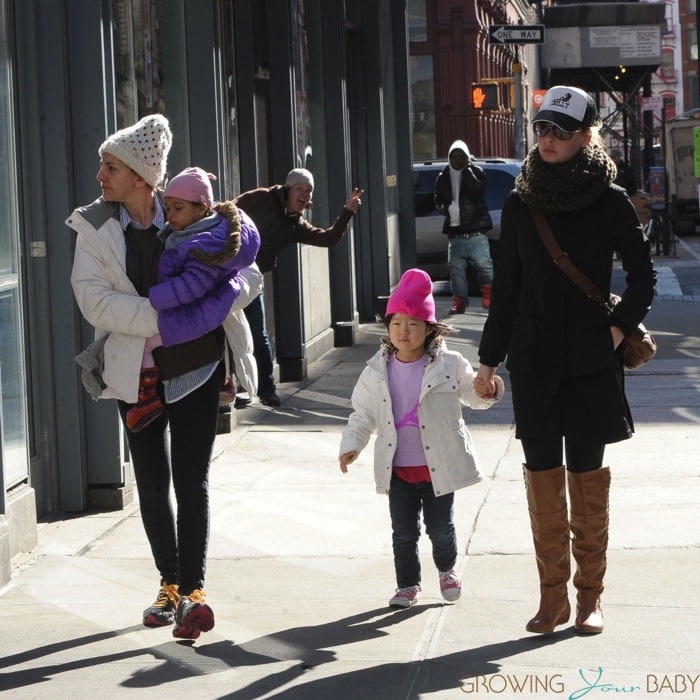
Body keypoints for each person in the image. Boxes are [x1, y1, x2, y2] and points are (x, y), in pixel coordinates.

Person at [68, 115, 261, 641]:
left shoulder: (188, 213)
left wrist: (210, 305)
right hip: (136, 372)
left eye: (111, 166)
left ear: (140, 175)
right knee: (152, 484)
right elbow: (93, 302)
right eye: (103, 166)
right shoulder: (94, 227)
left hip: (196, 365)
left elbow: (248, 273)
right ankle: (170, 585)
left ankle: (195, 591)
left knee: (191, 480)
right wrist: (164, 318)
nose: (101, 175)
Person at [476, 86, 656, 635]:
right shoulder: (520, 200)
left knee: (586, 476)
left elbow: (643, 279)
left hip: (589, 362)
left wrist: (617, 328)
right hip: (533, 363)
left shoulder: (609, 202)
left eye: (561, 131)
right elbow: (506, 290)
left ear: (586, 136)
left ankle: (590, 598)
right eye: (542, 129)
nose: (548, 139)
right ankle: (550, 599)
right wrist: (488, 362)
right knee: (541, 478)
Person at [338, 268, 504, 609]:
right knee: (403, 534)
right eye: (397, 323)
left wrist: (487, 390)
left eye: (413, 324)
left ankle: (446, 569)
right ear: (388, 327)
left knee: (440, 529)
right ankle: (407, 585)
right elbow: (362, 414)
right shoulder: (375, 371)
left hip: (438, 466)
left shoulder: (450, 364)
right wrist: (352, 445)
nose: (404, 331)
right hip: (398, 469)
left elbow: (474, 396)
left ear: (429, 328)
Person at [126, 166, 260, 432]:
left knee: (147, 343)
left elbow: (190, 287)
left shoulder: (204, 243)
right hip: (204, 309)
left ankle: (147, 397)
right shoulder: (205, 231)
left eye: (177, 208)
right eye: (168, 208)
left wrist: (153, 297)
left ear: (202, 207)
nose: (170, 215)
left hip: (197, 313)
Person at [235, 169, 363, 406]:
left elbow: (328, 238)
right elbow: (231, 210)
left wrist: (347, 212)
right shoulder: (263, 197)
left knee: (258, 336)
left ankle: (266, 389)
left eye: (308, 191)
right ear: (288, 189)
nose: (304, 195)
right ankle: (229, 391)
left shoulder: (296, 225)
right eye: (299, 189)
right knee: (227, 334)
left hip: (252, 280)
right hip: (227, 274)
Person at [434, 140, 494, 314]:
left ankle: (489, 297)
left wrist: (466, 170)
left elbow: (477, 190)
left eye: (461, 156)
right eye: (454, 156)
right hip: (455, 233)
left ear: (467, 158)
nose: (457, 160)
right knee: (456, 271)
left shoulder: (476, 172)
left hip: (477, 232)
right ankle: (459, 302)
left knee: (485, 267)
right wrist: (444, 209)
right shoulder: (443, 176)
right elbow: (437, 199)